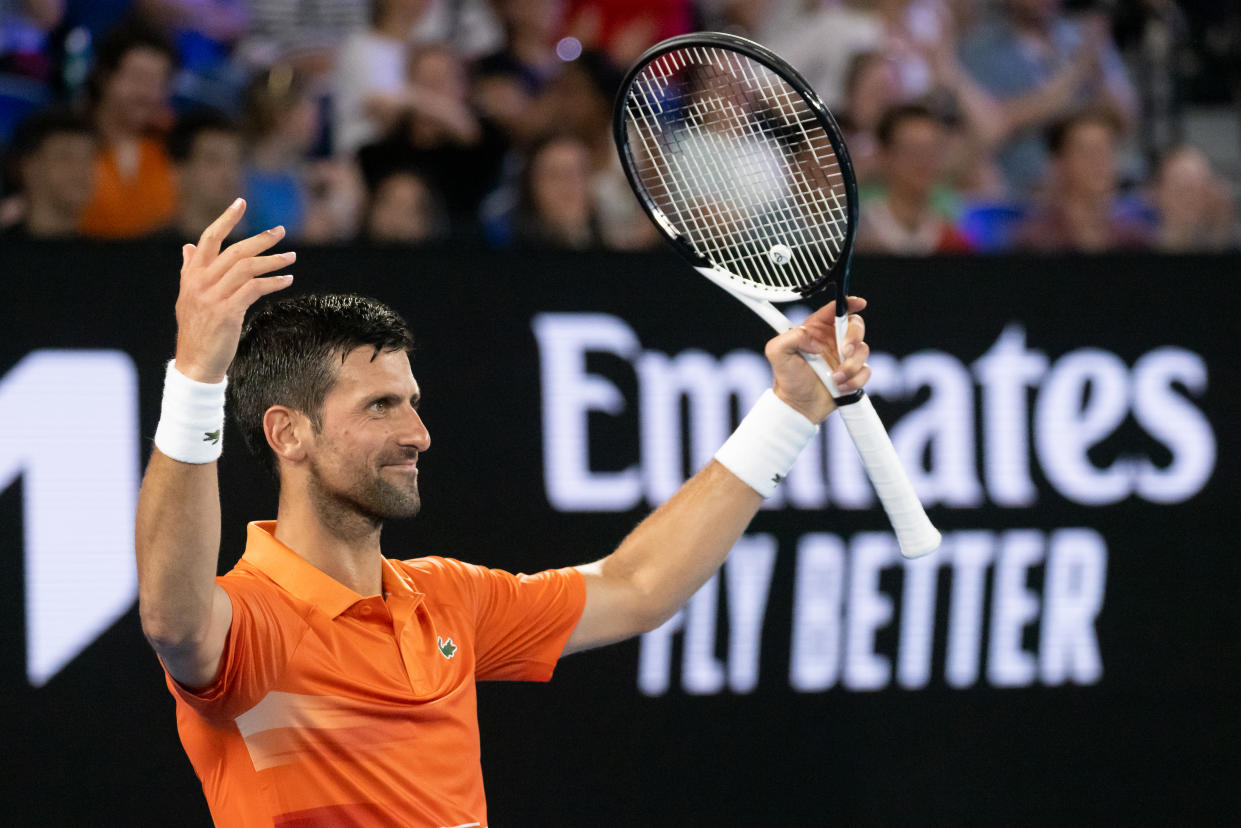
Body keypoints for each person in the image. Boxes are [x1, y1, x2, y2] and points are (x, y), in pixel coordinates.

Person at [134, 197, 872, 825]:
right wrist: (198, 374)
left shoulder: (451, 601)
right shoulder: (246, 627)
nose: (416, 434)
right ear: (287, 432)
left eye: (412, 404)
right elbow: (173, 617)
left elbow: (640, 587)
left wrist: (789, 411)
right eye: (380, 406)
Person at [77, 21, 180, 238]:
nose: (146, 93)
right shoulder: (67, 142)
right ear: (105, 76)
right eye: (137, 78)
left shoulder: (175, 145)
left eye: (157, 82)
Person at [1014, 107, 1152, 252]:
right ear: (1059, 162)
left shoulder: (1133, 239)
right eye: (1086, 152)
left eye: (1106, 150)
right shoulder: (1036, 240)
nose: (1099, 162)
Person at [856, 103, 974, 255]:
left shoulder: (953, 242)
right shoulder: (859, 235)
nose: (923, 162)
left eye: (931, 150)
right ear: (884, 154)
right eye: (912, 150)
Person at [2, 106, 96, 238]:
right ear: (29, 167)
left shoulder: (110, 253)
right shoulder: (7, 254)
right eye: (65, 157)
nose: (80, 170)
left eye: (88, 159)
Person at [166, 108, 244, 240]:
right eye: (213, 160)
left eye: (236, 161)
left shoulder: (252, 253)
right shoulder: (147, 252)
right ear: (179, 171)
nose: (230, 175)